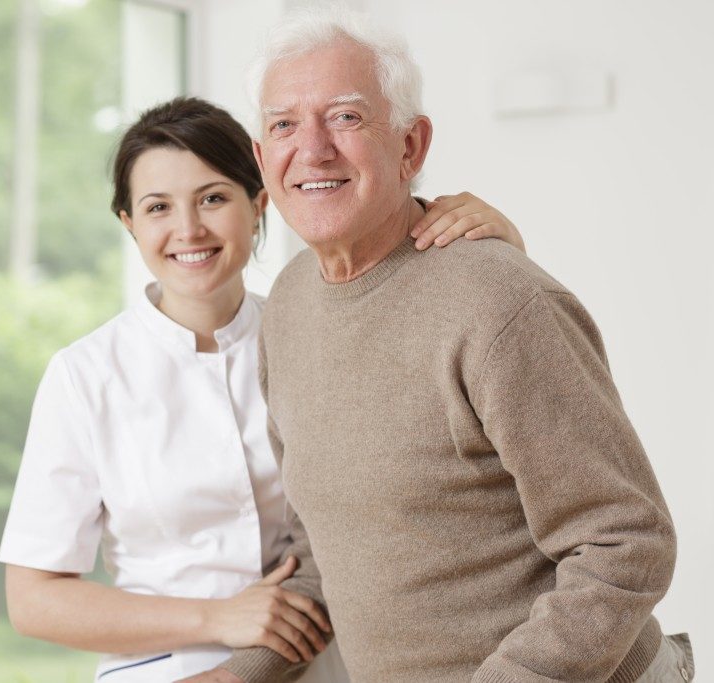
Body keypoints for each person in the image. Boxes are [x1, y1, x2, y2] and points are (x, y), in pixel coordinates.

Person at [192, 9, 692, 683]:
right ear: (261, 159)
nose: (312, 149)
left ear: (411, 146)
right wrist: (241, 672)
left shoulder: (500, 302)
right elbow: (325, 548)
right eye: (284, 124)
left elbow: (625, 543)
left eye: (345, 117)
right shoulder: (287, 305)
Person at [0, 96, 529, 682]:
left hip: (323, 660)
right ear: (129, 224)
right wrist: (219, 618)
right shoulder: (84, 375)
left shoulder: (313, 330)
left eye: (213, 198)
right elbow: (33, 600)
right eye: (157, 208)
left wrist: (502, 249)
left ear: (258, 205)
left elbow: (437, 401)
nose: (188, 230)